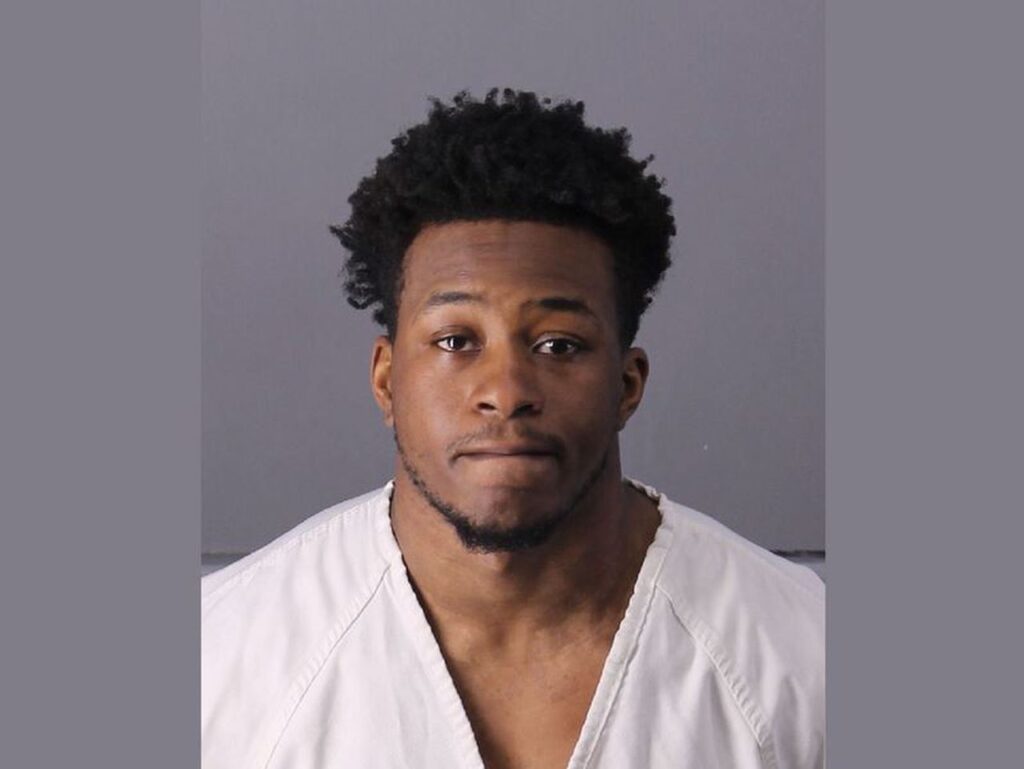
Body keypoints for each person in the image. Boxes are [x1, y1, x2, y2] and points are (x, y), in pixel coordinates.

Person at [201, 88, 824, 769]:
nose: (506, 392)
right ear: (387, 380)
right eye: (455, 341)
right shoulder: (221, 661)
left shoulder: (806, 658)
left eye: (559, 344)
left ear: (627, 384)